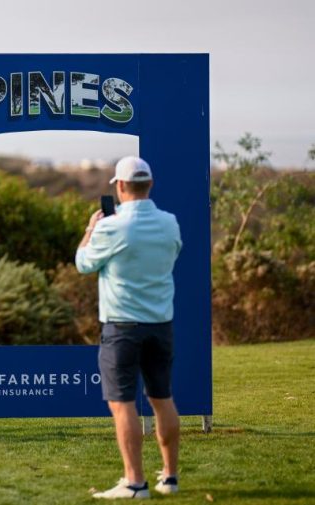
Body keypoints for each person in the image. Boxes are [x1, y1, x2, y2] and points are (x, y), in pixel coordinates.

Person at [76, 156, 182, 499]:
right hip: (160, 324)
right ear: (149, 184)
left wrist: (90, 231)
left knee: (123, 404)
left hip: (122, 327)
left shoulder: (111, 226)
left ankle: (135, 482)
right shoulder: (170, 223)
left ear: (120, 187)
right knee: (162, 399)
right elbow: (172, 254)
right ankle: (170, 477)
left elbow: (84, 264)